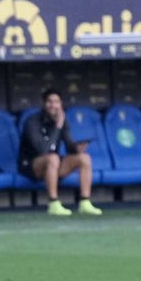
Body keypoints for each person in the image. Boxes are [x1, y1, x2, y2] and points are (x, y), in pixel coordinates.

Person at [18, 89, 103, 217]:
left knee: (84, 158)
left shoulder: (62, 121)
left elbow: (69, 147)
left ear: (61, 104)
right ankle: (53, 203)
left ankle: (85, 202)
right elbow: (42, 150)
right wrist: (58, 127)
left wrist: (77, 148)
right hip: (31, 166)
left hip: (54, 165)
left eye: (56, 102)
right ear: (44, 103)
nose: (53, 105)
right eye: (50, 102)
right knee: (53, 158)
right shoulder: (32, 121)